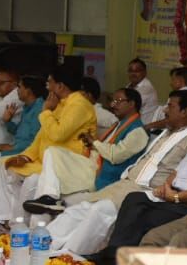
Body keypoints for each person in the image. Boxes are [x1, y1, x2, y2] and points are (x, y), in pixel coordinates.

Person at [43, 90, 187, 251]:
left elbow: (185, 174)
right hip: (127, 183)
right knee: (82, 207)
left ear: (185, 112)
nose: (165, 110)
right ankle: (43, 243)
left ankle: (70, 256)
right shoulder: (167, 132)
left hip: (147, 191)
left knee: (100, 210)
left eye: (170, 106)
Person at [87, 98, 187, 265]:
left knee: (144, 216)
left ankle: (117, 261)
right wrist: (166, 187)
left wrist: (178, 196)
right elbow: (176, 171)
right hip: (172, 194)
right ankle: (114, 254)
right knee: (134, 198)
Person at [21, 88, 149, 213]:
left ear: (132, 104)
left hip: (103, 175)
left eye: (118, 101)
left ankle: (50, 200)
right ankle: (50, 197)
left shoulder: (138, 131)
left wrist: (95, 142)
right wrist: (91, 144)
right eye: (112, 101)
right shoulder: (118, 125)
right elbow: (104, 149)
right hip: (92, 165)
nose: (112, 104)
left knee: (44, 170)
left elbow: (115, 155)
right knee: (52, 151)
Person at [0, 69, 96, 220]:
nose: (47, 87)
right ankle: (5, 217)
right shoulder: (60, 104)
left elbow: (57, 134)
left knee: (32, 180)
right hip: (44, 160)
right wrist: (26, 156)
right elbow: (41, 137)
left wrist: (46, 111)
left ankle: (18, 223)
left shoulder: (79, 105)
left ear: (60, 86)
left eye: (49, 82)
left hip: (66, 164)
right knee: (7, 166)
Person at [0, 76, 45, 213]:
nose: (17, 91)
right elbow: (19, 132)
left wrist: (13, 147)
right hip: (15, 146)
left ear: (28, 90)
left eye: (20, 87)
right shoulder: (28, 108)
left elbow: (35, 141)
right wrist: (7, 121)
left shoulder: (39, 109)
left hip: (23, 152)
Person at [145, 66, 187, 132]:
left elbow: (170, 120)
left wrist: (148, 126)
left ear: (180, 80)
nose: (170, 83)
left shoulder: (181, 98)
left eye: (173, 79)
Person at [127, 58, 160, 125]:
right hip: (132, 123)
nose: (133, 74)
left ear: (145, 72)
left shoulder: (146, 89)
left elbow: (127, 107)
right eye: (130, 71)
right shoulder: (130, 85)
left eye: (137, 71)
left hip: (143, 127)